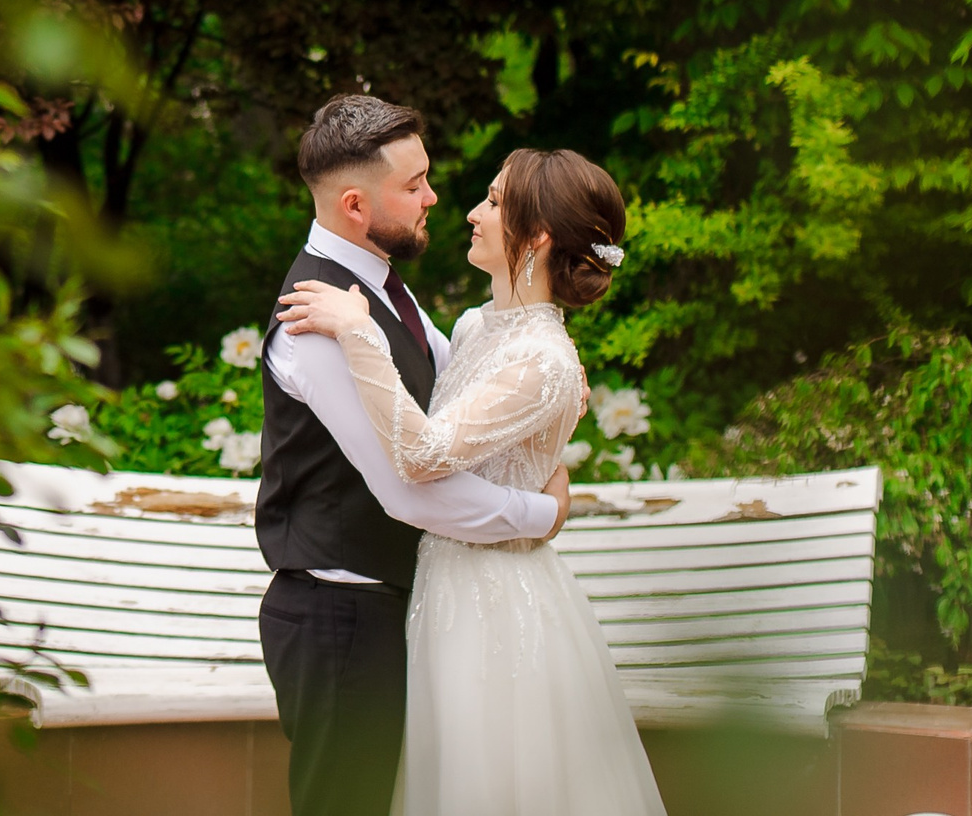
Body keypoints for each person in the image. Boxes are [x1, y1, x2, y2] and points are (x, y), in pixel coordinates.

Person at [278, 146, 668, 816]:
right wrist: (546, 481)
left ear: (535, 236)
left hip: (498, 603)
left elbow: (423, 455)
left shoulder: (545, 360)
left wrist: (358, 334)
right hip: (442, 589)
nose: (471, 213)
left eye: (493, 202)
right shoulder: (472, 326)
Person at [254, 96, 575, 816]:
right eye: (414, 185)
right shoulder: (315, 323)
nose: (434, 197)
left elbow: (457, 401)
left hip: (398, 609)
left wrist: (545, 395)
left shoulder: (383, 289)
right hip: (342, 619)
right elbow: (410, 489)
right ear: (356, 206)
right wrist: (542, 513)